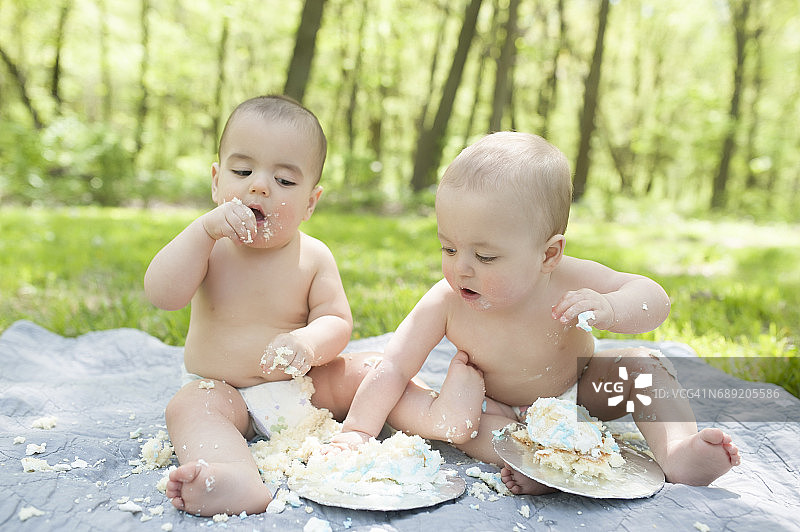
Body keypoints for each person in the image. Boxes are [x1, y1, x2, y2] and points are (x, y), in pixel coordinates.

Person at [330, 131, 740, 494]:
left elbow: (654, 298)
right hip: (499, 409)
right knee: (465, 428)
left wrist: (612, 307)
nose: (461, 268)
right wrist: (358, 431)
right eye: (448, 248)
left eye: (485, 256)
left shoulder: (568, 277)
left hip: (580, 391)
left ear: (548, 254)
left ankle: (678, 452)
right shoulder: (445, 300)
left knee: (642, 366)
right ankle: (536, 464)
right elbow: (394, 366)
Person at [144, 95, 363, 516]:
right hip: (225, 394)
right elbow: (162, 295)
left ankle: (431, 416)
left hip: (302, 388)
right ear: (216, 182)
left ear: (310, 202)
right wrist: (202, 232)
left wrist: (307, 342)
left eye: (284, 180)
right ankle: (232, 475)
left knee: (372, 370)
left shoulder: (313, 256)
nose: (259, 186)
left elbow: (335, 319)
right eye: (243, 172)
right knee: (188, 406)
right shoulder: (208, 247)